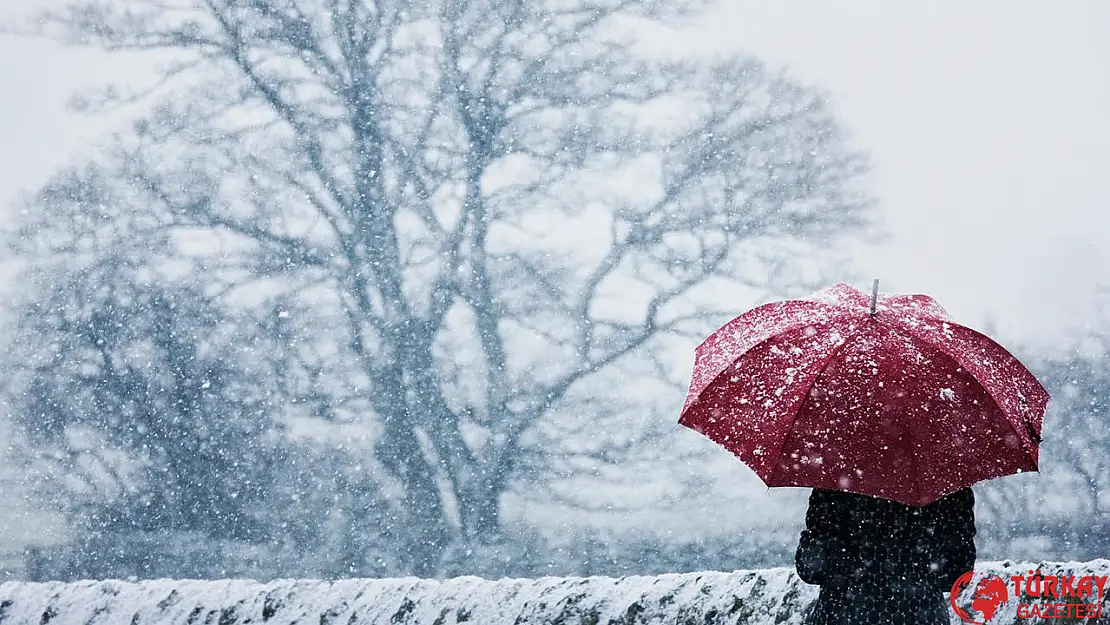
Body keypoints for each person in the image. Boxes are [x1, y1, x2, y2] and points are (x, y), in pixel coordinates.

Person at [795, 487, 976, 625]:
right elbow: (955, 576)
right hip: (920, 616)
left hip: (843, 616)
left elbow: (810, 570)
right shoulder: (945, 485)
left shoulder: (835, 482)